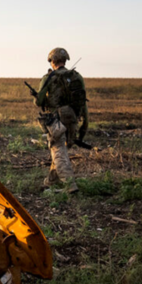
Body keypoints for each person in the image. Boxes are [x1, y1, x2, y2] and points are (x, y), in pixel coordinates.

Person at [34, 47, 89, 192]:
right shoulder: (77, 77)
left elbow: (39, 102)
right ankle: (50, 182)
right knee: (60, 151)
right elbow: (83, 102)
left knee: (58, 151)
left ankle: (70, 185)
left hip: (55, 118)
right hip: (72, 117)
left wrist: (37, 97)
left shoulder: (49, 78)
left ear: (52, 61)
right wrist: (85, 125)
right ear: (65, 60)